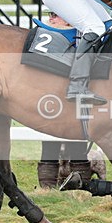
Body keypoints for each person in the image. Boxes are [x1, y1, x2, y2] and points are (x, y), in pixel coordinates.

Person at [35, 11, 92, 188]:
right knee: (49, 148)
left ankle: (81, 189)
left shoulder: (81, 39)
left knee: (77, 149)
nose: (51, 19)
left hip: (73, 101)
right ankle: (47, 189)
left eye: (55, 15)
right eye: (50, 15)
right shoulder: (44, 40)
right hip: (50, 102)